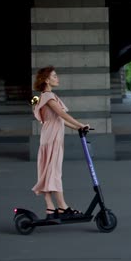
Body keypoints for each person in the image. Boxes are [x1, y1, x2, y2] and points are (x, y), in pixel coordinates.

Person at [31, 66, 90, 219]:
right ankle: (63, 207)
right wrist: (80, 124)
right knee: (53, 172)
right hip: (52, 139)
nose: (58, 78)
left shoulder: (47, 96)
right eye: (55, 76)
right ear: (46, 80)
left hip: (50, 137)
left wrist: (78, 128)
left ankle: (51, 207)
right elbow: (62, 114)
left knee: (48, 172)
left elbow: (60, 120)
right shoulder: (48, 97)